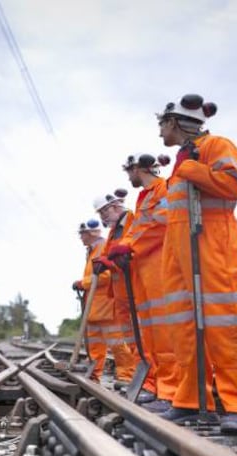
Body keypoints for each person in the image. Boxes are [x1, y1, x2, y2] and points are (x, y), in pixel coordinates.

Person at [156, 93, 237, 433]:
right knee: (184, 329)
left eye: (162, 125)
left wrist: (194, 168)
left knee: (224, 324)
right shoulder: (180, 164)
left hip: (213, 244)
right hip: (180, 250)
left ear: (174, 122)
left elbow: (234, 184)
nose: (160, 133)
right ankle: (189, 400)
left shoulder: (216, 145)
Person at [107, 153, 179, 412]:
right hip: (144, 271)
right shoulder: (145, 196)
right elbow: (139, 231)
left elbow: (160, 226)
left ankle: (169, 391)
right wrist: (123, 248)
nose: (128, 177)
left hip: (159, 268)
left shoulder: (162, 189)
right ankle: (155, 385)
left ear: (139, 168)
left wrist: (128, 245)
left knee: (164, 334)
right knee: (149, 333)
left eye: (129, 171)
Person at [92, 191, 156, 401]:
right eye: (100, 213)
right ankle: (142, 379)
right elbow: (114, 254)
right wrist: (106, 263)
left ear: (115, 206)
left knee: (142, 336)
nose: (103, 217)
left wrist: (113, 261)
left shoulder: (130, 220)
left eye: (104, 212)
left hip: (134, 287)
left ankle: (151, 381)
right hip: (121, 290)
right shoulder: (114, 230)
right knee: (131, 339)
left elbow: (135, 247)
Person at [72, 218, 135, 384]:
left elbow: (105, 274)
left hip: (107, 306)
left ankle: (126, 377)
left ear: (92, 233)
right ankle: (94, 376)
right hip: (93, 307)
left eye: (82, 233)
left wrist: (82, 283)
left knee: (118, 344)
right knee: (94, 346)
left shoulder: (103, 248)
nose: (80, 237)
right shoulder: (92, 250)